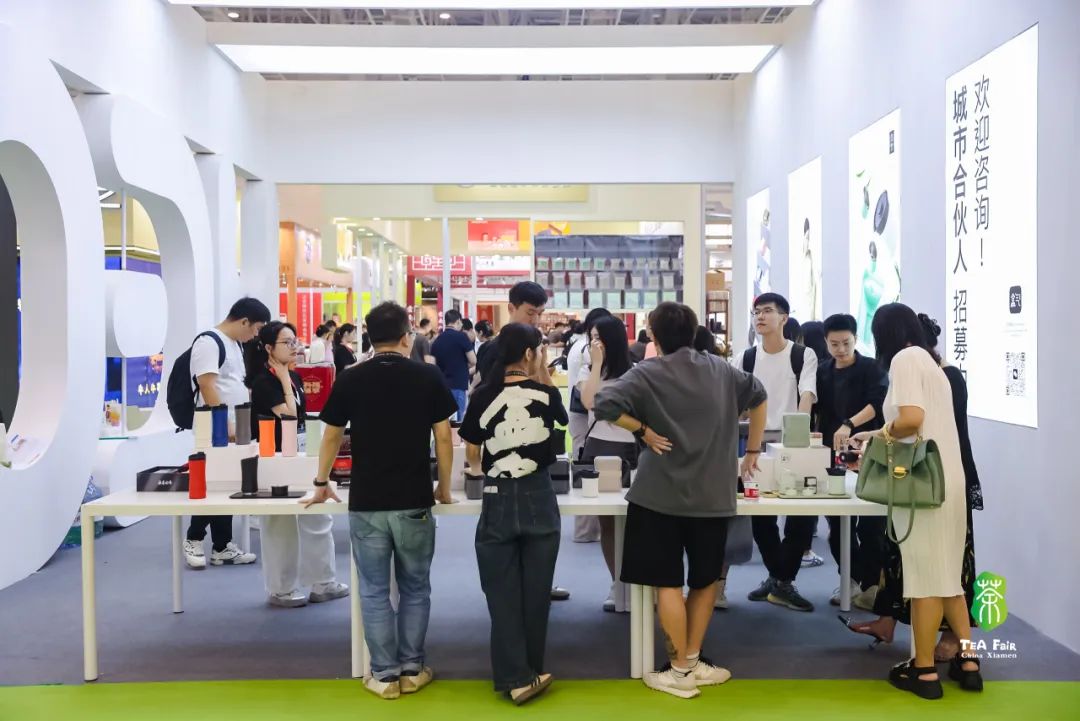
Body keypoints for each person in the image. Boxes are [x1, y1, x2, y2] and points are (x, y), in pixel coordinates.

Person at [595, 302, 767, 698]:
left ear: (654, 337)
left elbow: (604, 404)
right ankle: (691, 660)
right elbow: (759, 396)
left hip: (659, 496)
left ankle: (679, 671)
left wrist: (642, 430)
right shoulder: (723, 370)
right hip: (713, 496)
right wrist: (753, 451)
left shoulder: (647, 372)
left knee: (667, 583)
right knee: (706, 581)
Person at [305, 302, 459, 700]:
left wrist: (321, 481)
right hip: (414, 498)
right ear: (407, 336)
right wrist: (443, 487)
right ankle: (412, 669)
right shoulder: (427, 376)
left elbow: (331, 434)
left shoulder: (351, 377)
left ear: (369, 338)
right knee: (416, 588)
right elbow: (444, 437)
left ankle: (385, 675)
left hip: (367, 500)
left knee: (373, 591)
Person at [845, 303, 979, 700]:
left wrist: (878, 437)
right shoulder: (933, 366)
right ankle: (969, 663)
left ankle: (923, 672)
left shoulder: (904, 360)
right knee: (949, 579)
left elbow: (911, 420)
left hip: (922, 487)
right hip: (949, 481)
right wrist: (877, 434)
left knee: (924, 581)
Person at [460, 323, 568, 705]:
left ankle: (516, 675)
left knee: (501, 591)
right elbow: (562, 428)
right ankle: (529, 671)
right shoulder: (547, 394)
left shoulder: (482, 395)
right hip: (539, 493)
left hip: (497, 493)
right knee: (536, 590)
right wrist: (543, 375)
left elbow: (472, 451)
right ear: (529, 353)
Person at [472, 281, 571, 603]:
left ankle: (535, 584)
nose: (536, 319)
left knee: (536, 541)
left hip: (532, 460)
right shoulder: (495, 350)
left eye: (540, 313)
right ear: (511, 308)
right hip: (503, 462)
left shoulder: (534, 345)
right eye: (531, 312)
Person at [245, 321, 348, 608]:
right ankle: (281, 588)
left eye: (295, 341)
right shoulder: (263, 382)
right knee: (279, 525)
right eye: (287, 343)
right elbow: (289, 416)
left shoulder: (294, 377)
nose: (295, 347)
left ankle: (323, 581)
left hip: (301, 456)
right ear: (268, 348)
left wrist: (286, 378)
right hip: (274, 459)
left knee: (317, 515)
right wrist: (282, 379)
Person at [733, 293, 819, 612]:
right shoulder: (745, 358)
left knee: (801, 515)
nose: (760, 317)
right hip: (754, 445)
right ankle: (781, 580)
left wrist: (798, 434)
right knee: (761, 515)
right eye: (756, 312)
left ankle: (781, 579)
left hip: (793, 443)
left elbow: (807, 394)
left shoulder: (801, 354)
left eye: (767, 311)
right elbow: (735, 400)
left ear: (784, 317)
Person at [182, 297, 269, 569]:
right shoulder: (209, 342)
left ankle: (222, 546)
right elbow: (207, 385)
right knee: (211, 485)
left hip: (233, 427)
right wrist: (225, 424)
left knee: (228, 484)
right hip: (215, 428)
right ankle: (194, 538)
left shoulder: (234, 344)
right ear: (244, 321)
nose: (255, 335)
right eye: (256, 329)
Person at [813, 313, 888, 607]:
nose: (841, 349)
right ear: (826, 342)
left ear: (856, 339)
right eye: (834, 344)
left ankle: (871, 584)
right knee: (837, 524)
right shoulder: (822, 371)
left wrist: (849, 424)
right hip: (833, 456)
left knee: (871, 526)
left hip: (869, 453)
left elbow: (877, 404)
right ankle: (851, 578)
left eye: (846, 342)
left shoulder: (871, 368)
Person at [579, 315, 638, 612]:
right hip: (598, 447)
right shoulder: (588, 370)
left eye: (598, 337)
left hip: (630, 449)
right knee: (607, 522)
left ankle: (637, 583)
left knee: (635, 520)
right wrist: (596, 366)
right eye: (591, 337)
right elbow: (589, 402)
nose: (594, 343)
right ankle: (616, 583)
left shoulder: (635, 372)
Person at [565, 308, 612, 547]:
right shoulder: (588, 350)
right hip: (585, 415)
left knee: (584, 468)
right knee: (586, 470)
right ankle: (586, 530)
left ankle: (587, 529)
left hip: (582, 415)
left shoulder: (579, 346)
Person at [431, 309, 477, 422]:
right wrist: (462, 365)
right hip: (458, 384)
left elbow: (432, 365)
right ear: (458, 321)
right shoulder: (461, 337)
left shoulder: (436, 340)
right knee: (458, 420)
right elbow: (473, 360)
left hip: (442, 386)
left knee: (445, 420)